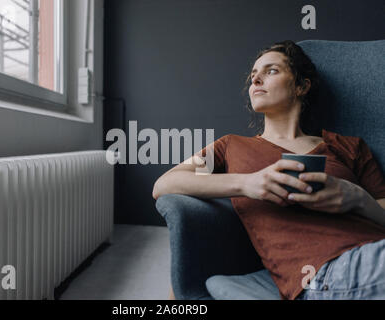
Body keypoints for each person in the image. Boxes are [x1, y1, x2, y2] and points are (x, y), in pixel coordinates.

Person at [152, 40, 385, 300]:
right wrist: (247, 183)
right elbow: (165, 183)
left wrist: (356, 197)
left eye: (271, 71)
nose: (256, 80)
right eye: (253, 76)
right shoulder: (231, 147)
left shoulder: (348, 147)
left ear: (301, 86)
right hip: (328, 272)